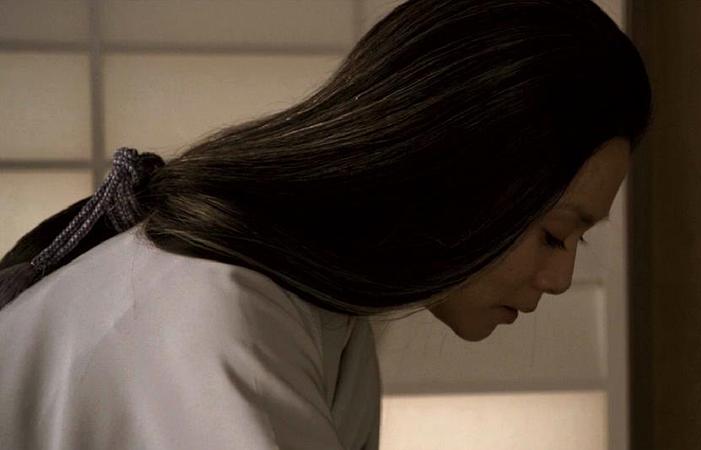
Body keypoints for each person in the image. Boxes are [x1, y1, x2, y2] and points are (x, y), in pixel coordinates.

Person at [0, 0, 651, 448]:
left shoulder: (316, 316)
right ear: (456, 173)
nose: (561, 278)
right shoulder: (222, 309)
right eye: (555, 234)